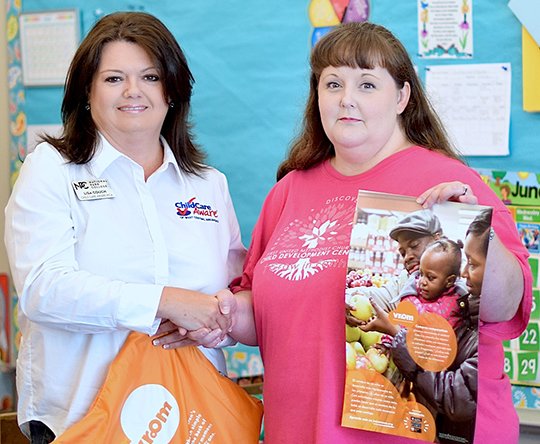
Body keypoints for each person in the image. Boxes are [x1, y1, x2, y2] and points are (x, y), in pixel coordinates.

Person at [163, 22, 532, 443]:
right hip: (300, 429)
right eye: (332, 83)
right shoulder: (289, 192)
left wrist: (476, 238)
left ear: (402, 97)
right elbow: (261, 313)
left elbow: (506, 306)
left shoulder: (448, 184)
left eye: (368, 84)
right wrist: (221, 315)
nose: (346, 99)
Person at [3, 12, 244, 443]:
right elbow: (44, 290)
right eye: (114, 78)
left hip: (192, 419)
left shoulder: (209, 185)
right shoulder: (52, 170)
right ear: (87, 92)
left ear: (172, 90)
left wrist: (216, 323)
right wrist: (162, 302)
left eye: (150, 76)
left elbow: (231, 297)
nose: (134, 91)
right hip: (81, 420)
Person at [397, 238, 466, 329]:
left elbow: (424, 321)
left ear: (449, 281)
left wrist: (408, 299)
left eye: (430, 278)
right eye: (421, 274)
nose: (422, 281)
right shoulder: (417, 288)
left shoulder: (452, 304)